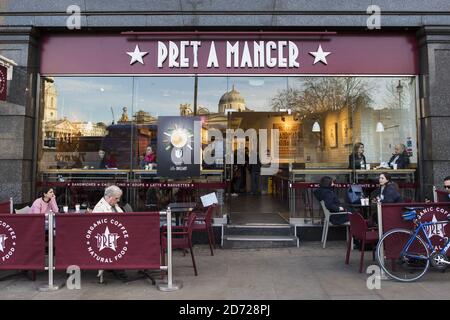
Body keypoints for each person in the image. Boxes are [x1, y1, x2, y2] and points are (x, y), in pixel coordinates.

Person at [92, 185, 126, 281]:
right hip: (106, 239)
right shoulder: (99, 208)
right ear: (109, 197)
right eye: (116, 198)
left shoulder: (114, 205)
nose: (118, 200)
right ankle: (118, 269)